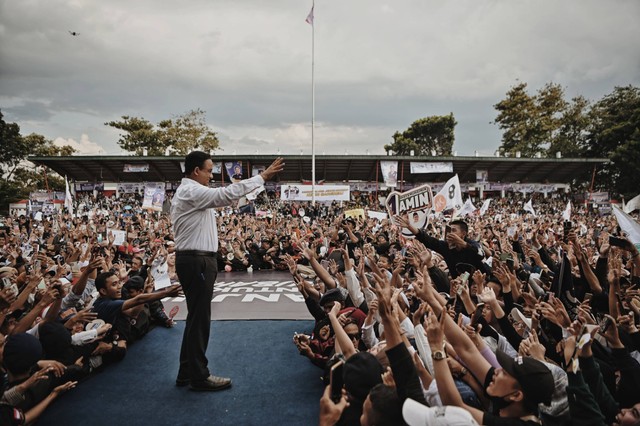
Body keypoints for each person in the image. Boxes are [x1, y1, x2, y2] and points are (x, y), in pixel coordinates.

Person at [171, 151, 284, 391]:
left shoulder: (190, 192)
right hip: (197, 261)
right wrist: (261, 177)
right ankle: (199, 376)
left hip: (196, 260)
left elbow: (227, 197)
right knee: (200, 319)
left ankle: (186, 371)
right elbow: (225, 194)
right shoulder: (192, 191)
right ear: (196, 171)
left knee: (195, 318)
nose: (211, 176)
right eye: (209, 171)